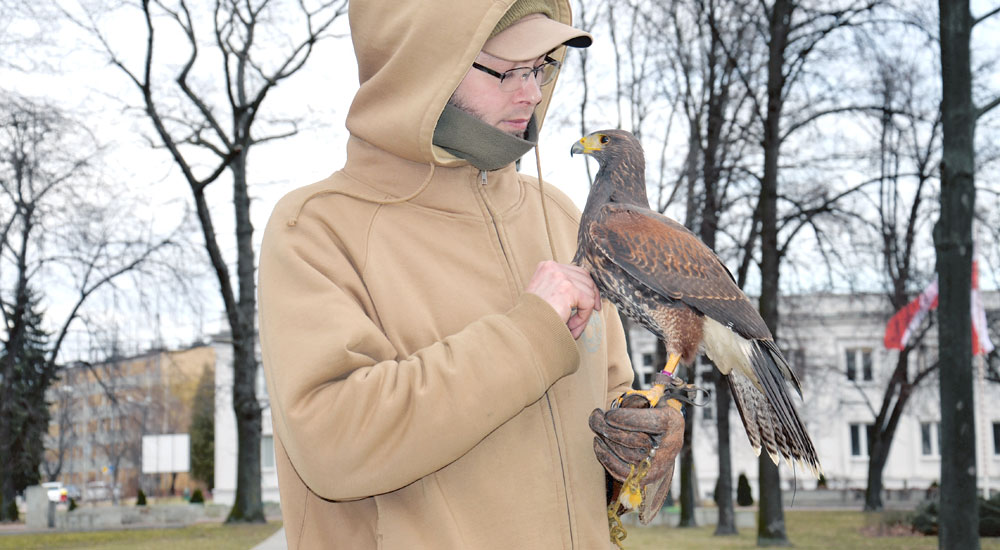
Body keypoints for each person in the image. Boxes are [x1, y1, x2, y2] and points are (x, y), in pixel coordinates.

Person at [258, 1, 684, 548]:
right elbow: (332, 444)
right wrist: (530, 334)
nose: (531, 93)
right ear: (422, 66)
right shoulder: (316, 228)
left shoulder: (561, 216)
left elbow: (607, 397)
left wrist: (635, 446)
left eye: (542, 67)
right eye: (508, 69)